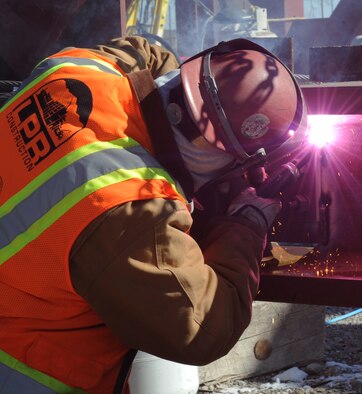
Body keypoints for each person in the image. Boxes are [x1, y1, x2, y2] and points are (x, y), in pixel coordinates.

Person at [0, 35, 307, 393]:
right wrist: (244, 225)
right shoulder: (132, 212)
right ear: (223, 156)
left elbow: (142, 52)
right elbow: (202, 327)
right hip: (22, 368)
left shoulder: (83, 68)